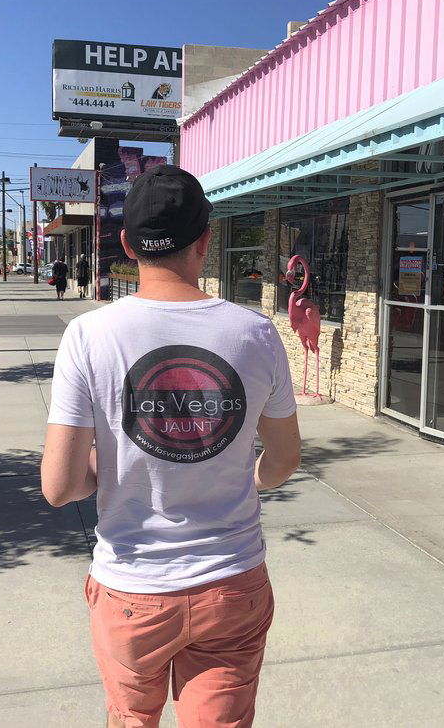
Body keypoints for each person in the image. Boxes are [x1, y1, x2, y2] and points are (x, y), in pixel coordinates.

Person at [41, 165, 301, 728]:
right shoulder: (254, 333)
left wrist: (108, 467)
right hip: (231, 581)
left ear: (129, 245)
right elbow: (283, 460)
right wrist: (252, 476)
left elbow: (59, 487)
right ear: (205, 242)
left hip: (131, 589)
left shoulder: (89, 336)